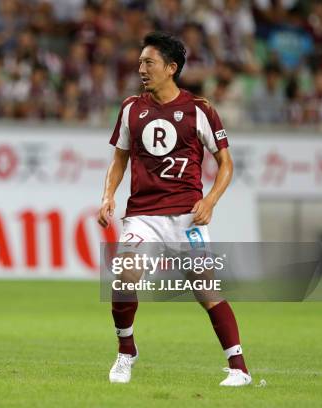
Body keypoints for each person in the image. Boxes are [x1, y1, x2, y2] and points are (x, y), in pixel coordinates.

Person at [98, 32, 250, 386]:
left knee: (207, 291)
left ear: (171, 68)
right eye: (139, 63)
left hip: (187, 216)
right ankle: (125, 353)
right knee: (125, 278)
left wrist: (210, 200)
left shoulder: (200, 109)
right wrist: (108, 196)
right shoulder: (130, 108)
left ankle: (239, 369)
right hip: (142, 215)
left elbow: (225, 163)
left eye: (148, 63)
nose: (141, 69)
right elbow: (119, 158)